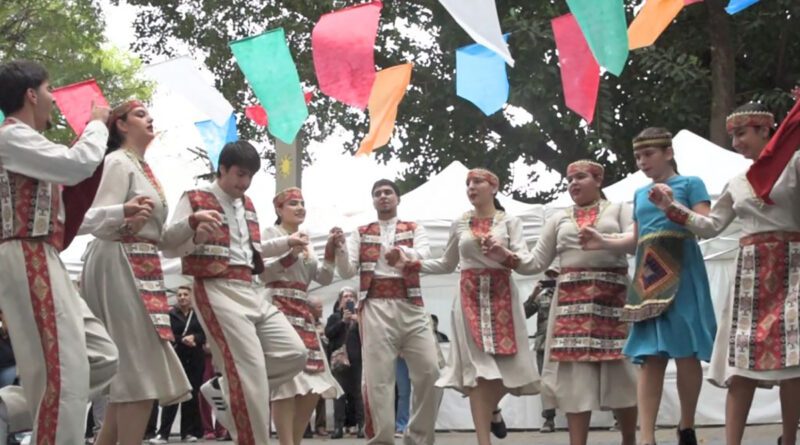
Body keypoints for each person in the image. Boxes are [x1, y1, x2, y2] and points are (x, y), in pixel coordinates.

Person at [648, 99, 800, 445]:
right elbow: (711, 225)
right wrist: (671, 207)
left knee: (794, 362)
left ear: (766, 131)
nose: (736, 143)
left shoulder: (794, 165)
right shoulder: (739, 181)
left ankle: (789, 439)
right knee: (742, 362)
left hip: (793, 268)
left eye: (742, 134)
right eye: (733, 136)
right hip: (751, 275)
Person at [0, 59, 119, 444]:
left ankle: (15, 403)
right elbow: (76, 165)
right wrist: (97, 124)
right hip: (27, 255)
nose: (53, 99)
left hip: (41, 254)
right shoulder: (11, 137)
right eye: (49, 89)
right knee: (64, 373)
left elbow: (60, 218)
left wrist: (120, 215)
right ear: (31, 95)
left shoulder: (25, 144)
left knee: (100, 355)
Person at [163, 140, 308, 445]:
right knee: (248, 371)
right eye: (240, 174)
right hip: (215, 287)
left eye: (250, 176)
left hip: (249, 287)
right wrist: (193, 227)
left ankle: (226, 386)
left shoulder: (249, 204)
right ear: (223, 169)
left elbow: (254, 249)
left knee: (295, 353)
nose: (245, 182)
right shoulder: (195, 197)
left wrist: (287, 242)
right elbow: (167, 244)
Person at [580, 129, 717, 445]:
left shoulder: (691, 184)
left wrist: (671, 206)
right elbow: (636, 241)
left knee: (686, 352)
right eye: (638, 157)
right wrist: (603, 241)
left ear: (668, 153)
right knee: (650, 356)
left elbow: (708, 226)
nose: (642, 162)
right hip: (648, 276)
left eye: (648, 154)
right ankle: (647, 437)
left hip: (683, 270)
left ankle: (687, 425)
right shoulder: (640, 194)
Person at [490, 160, 638, 445]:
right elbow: (535, 262)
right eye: (569, 179)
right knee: (573, 377)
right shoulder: (559, 218)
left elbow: (635, 242)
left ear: (598, 179)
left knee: (620, 371)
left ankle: (629, 439)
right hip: (571, 303)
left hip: (614, 299)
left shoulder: (618, 209)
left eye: (580, 177)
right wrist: (505, 256)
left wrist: (604, 240)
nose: (573, 183)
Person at [390, 168, 540, 445]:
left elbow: (526, 262)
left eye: (478, 181)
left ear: (494, 187)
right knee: (478, 373)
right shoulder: (460, 223)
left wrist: (505, 254)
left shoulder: (510, 221)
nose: (471, 187)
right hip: (468, 299)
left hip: (503, 298)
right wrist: (410, 264)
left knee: (510, 370)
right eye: (468, 183)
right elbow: (446, 263)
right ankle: (484, 440)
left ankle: (493, 410)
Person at [80, 100, 192, 445]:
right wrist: (125, 218)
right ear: (121, 124)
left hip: (140, 261)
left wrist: (192, 223)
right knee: (139, 371)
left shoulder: (141, 167)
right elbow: (95, 220)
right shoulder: (117, 161)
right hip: (118, 259)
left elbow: (160, 239)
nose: (150, 118)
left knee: (132, 372)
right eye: (141, 114)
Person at [332, 179, 440, 445]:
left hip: (411, 305)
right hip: (375, 306)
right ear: (373, 201)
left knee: (431, 371)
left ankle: (418, 436)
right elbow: (347, 271)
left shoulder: (414, 228)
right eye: (377, 193)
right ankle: (382, 439)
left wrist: (401, 252)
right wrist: (340, 249)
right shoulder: (361, 232)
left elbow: (424, 254)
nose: (383, 196)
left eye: (388, 192)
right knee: (379, 379)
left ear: (397, 199)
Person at [263, 187, 342, 445]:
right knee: (286, 381)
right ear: (278, 209)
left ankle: (294, 441)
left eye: (302, 203)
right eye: (293, 203)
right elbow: (263, 273)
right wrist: (291, 253)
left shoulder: (307, 240)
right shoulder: (271, 234)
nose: (299, 207)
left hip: (302, 309)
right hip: (277, 306)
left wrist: (329, 251)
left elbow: (324, 278)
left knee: (314, 382)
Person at [151, 285, 207, 443]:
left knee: (191, 396)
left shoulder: (199, 315)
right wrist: (182, 339)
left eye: (185, 294)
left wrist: (195, 338)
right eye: (180, 295)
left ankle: (187, 432)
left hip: (195, 360)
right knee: (174, 394)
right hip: (176, 358)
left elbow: (204, 334)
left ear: (191, 297)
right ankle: (163, 433)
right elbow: (165, 334)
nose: (182, 297)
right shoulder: (170, 315)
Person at [523, 268, 559, 433]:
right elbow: (524, 313)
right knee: (545, 383)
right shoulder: (541, 296)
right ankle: (549, 420)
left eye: (555, 275)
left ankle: (576, 416)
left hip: (563, 344)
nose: (551, 278)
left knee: (572, 380)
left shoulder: (569, 295)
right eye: (549, 275)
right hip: (543, 345)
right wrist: (533, 294)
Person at [325, 288, 364, 439]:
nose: (348, 299)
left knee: (358, 393)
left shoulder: (361, 316)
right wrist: (343, 322)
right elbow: (329, 333)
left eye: (351, 296)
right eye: (345, 296)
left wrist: (358, 321)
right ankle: (338, 428)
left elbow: (369, 334)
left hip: (357, 359)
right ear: (340, 301)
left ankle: (361, 426)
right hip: (339, 360)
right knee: (339, 394)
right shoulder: (334, 317)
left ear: (356, 299)